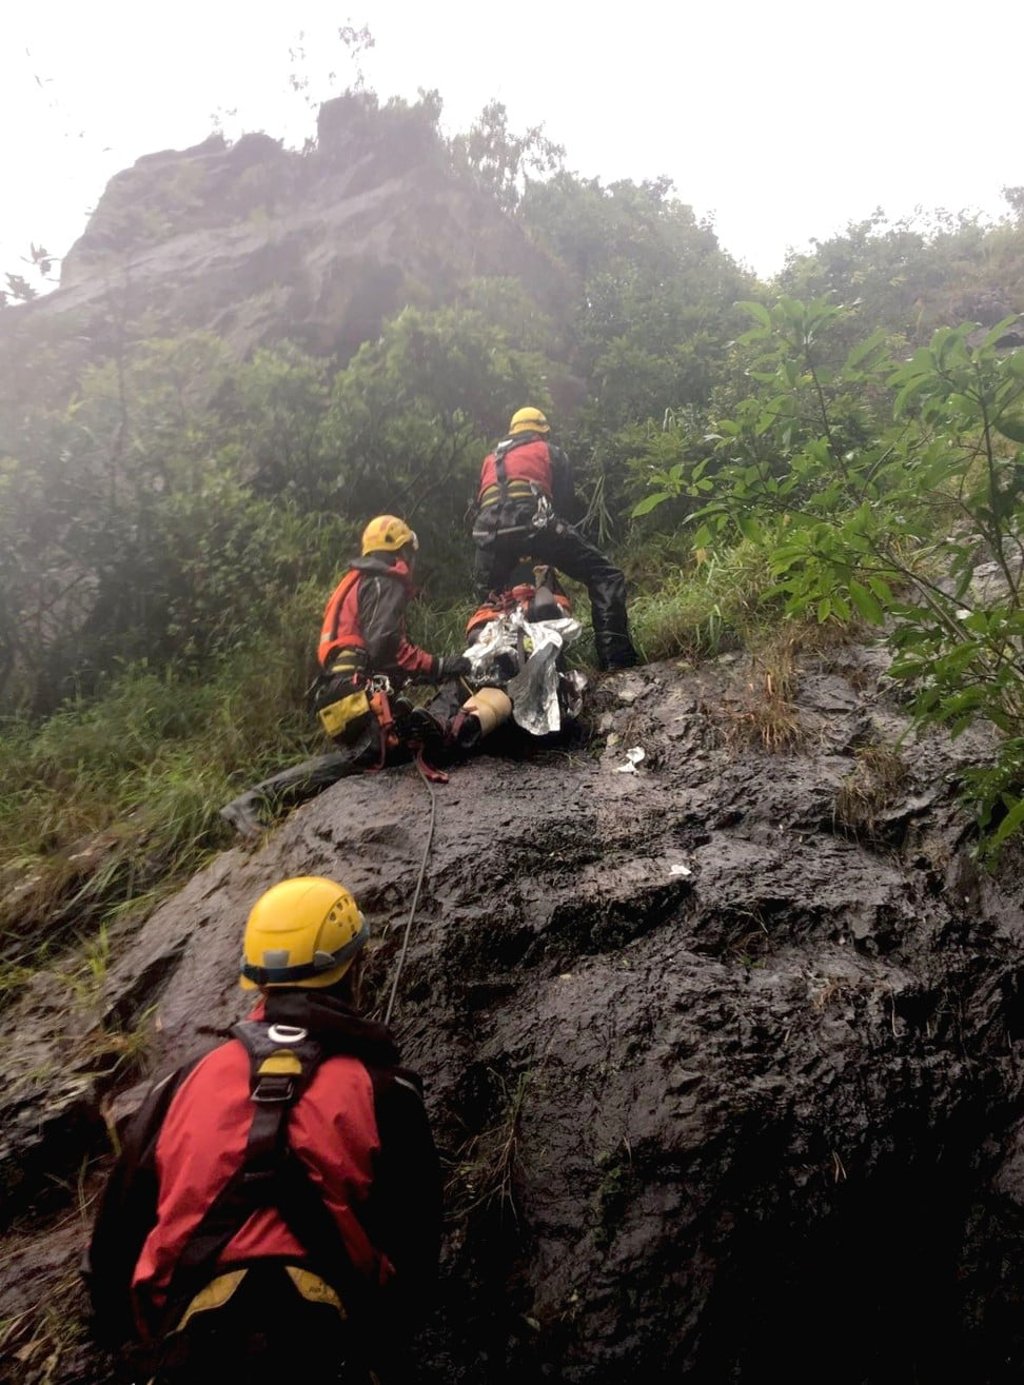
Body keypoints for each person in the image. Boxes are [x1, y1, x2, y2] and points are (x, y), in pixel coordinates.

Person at [84, 875, 441, 1385]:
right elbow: (417, 1258)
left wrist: (128, 1343)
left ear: (257, 979)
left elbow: (114, 1243)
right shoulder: (386, 1093)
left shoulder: (181, 1083)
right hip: (330, 1348)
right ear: (354, 967)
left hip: (187, 1352)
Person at [219, 515, 470, 837]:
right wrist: (441, 665)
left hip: (340, 686)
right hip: (354, 688)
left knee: (395, 742)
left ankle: (265, 801)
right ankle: (258, 800)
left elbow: (377, 658)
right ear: (400, 549)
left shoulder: (359, 580)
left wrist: (424, 675)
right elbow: (385, 648)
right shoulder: (385, 580)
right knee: (365, 756)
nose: (410, 559)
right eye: (408, 551)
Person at [472, 407, 639, 671]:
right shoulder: (550, 452)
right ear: (543, 432)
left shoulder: (490, 459)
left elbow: (485, 501)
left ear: (513, 431)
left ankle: (500, 672)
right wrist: (553, 547)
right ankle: (617, 662)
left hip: (487, 537)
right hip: (535, 527)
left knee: (492, 603)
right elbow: (564, 505)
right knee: (606, 576)